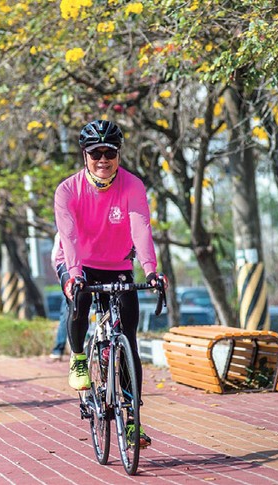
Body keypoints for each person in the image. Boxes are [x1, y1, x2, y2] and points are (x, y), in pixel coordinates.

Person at [54, 119, 168, 448]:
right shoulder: (67, 190)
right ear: (84, 155)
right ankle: (78, 357)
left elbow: (141, 227)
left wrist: (150, 270)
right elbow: (70, 237)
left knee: (128, 341)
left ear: (119, 154)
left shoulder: (132, 186)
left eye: (110, 153)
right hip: (77, 261)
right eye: (95, 154)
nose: (103, 160)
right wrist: (74, 275)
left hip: (117, 263)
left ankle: (133, 421)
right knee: (78, 300)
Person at [49, 233, 69, 361]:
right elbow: (55, 259)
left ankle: (58, 349)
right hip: (71, 277)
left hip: (72, 277)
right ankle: (59, 348)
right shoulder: (62, 232)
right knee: (67, 313)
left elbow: (53, 260)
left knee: (67, 313)